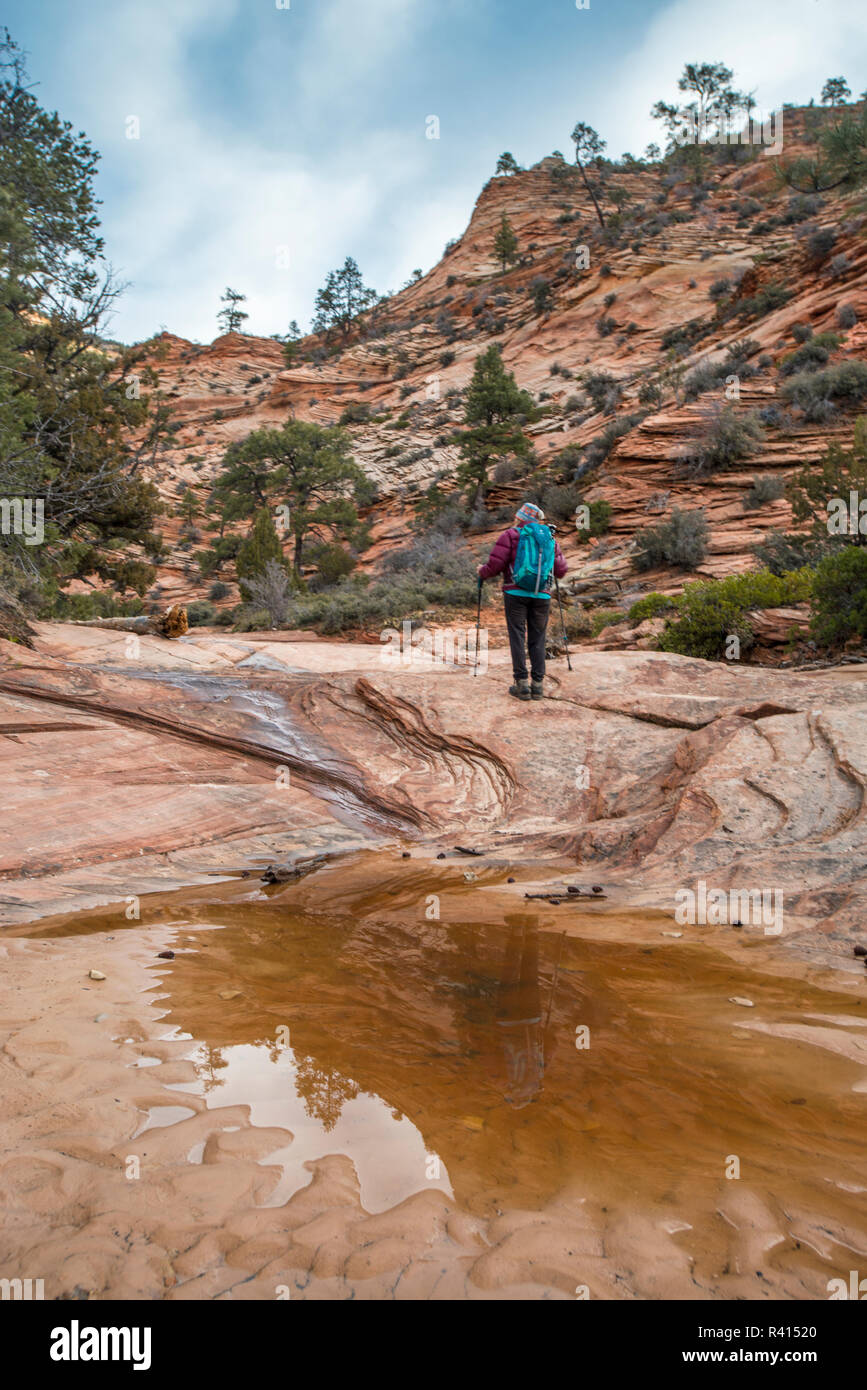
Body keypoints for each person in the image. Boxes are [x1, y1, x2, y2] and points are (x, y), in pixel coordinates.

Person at [478, 501, 567, 701]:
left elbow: (495, 565)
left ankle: (521, 684)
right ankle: (538, 685)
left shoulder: (510, 535)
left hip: (515, 593)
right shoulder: (549, 538)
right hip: (542, 595)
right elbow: (561, 570)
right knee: (538, 638)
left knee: (517, 635)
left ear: (520, 517)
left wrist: (481, 572)